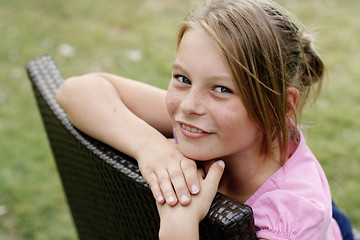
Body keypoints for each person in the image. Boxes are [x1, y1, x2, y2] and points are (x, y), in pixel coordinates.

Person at [56, 0, 352, 239]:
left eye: (222, 89)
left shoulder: (291, 222)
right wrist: (149, 147)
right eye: (183, 78)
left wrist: (180, 225)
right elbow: (77, 91)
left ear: (281, 106)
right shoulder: (204, 122)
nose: (188, 105)